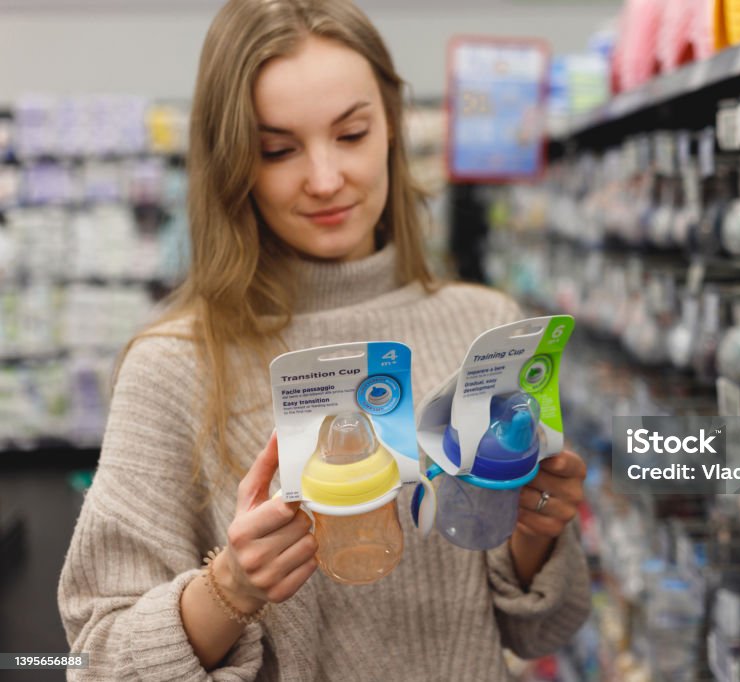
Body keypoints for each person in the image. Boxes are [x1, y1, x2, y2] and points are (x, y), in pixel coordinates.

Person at [57, 1, 591, 679]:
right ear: (232, 162)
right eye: (277, 149)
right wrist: (229, 590)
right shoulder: (175, 366)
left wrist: (535, 535)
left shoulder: (479, 323)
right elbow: (93, 656)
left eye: (352, 134)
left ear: (392, 127)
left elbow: (543, 624)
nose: (325, 179)